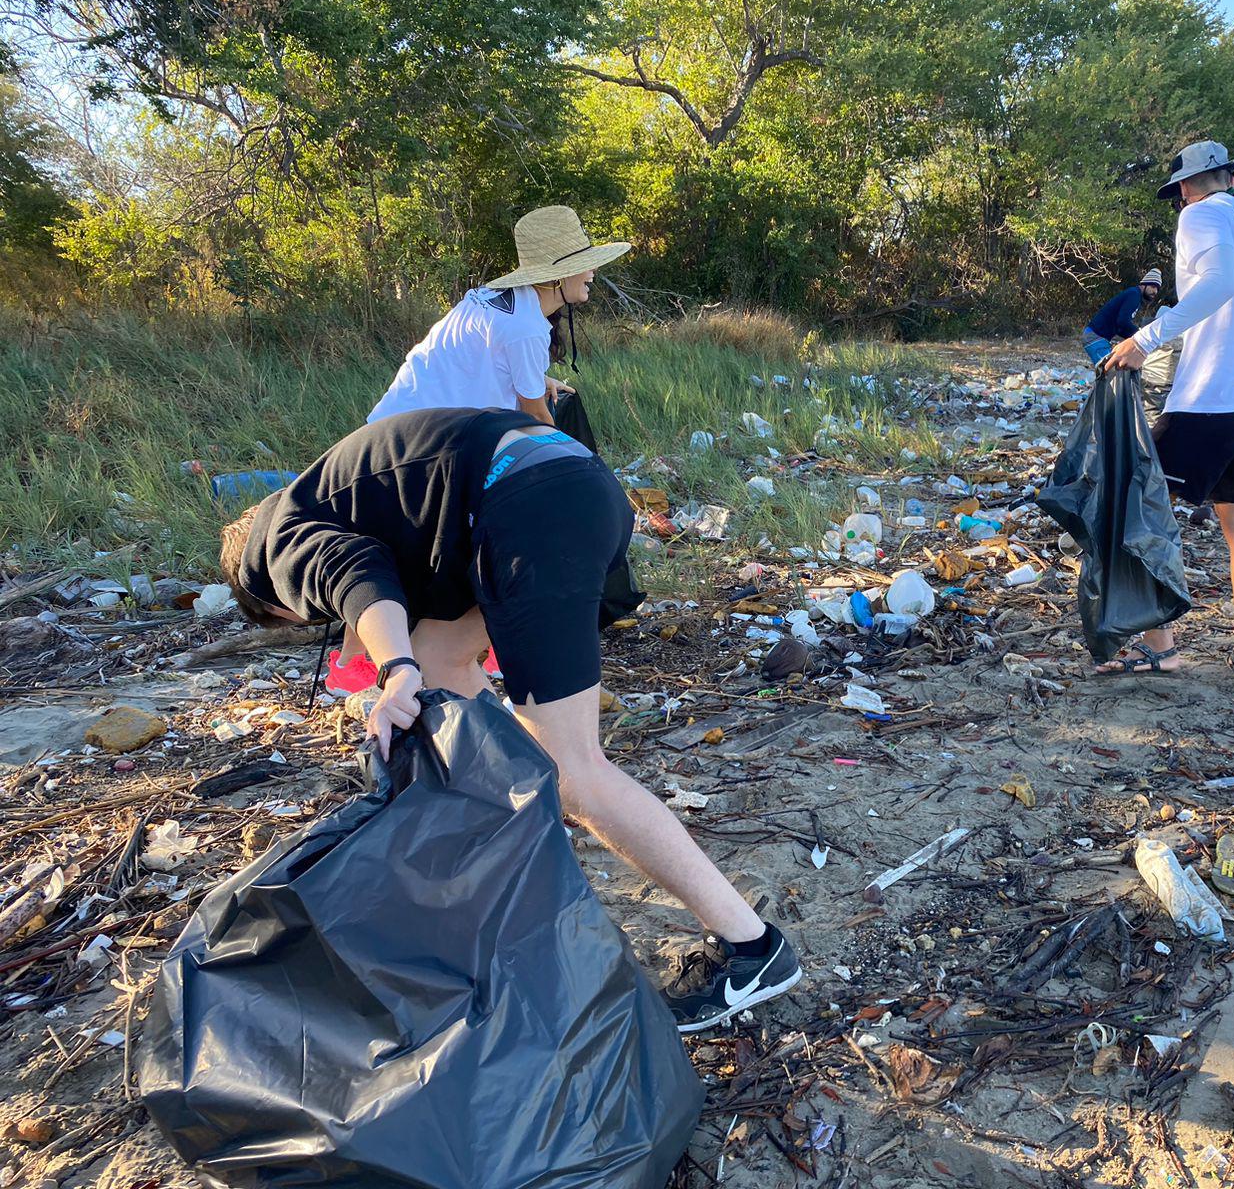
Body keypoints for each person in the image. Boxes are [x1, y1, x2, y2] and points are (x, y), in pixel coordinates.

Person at [218, 408, 802, 1032]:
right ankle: (513, 823)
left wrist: (395, 670)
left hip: (532, 508)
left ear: (277, 607)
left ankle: (753, 949)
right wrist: (415, 662)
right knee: (443, 660)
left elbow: (355, 577)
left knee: (574, 772)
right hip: (568, 479)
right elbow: (413, 613)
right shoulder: (330, 495)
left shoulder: (268, 550)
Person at [1103, 140, 1234, 683]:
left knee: (1137, 505)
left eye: (1180, 191)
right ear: (1230, 177)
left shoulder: (1199, 217)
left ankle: (1161, 645)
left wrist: (1146, 338)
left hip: (1215, 394)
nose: (1182, 200)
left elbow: (1219, 285)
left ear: (1186, 187)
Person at [367, 206, 625, 426]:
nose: (594, 269)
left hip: (393, 422)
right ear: (558, 276)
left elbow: (476, 357)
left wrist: (538, 380)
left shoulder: (491, 296)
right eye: (584, 264)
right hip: (412, 440)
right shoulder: (526, 327)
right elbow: (535, 416)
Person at [1082, 268, 1162, 365]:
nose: (1155, 291)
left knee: (1112, 371)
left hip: (1097, 337)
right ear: (1144, 284)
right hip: (1094, 337)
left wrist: (1135, 340)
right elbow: (1122, 321)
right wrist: (1141, 335)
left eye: (1157, 288)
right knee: (1111, 370)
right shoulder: (1134, 294)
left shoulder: (1135, 295)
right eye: (1153, 286)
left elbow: (1120, 328)